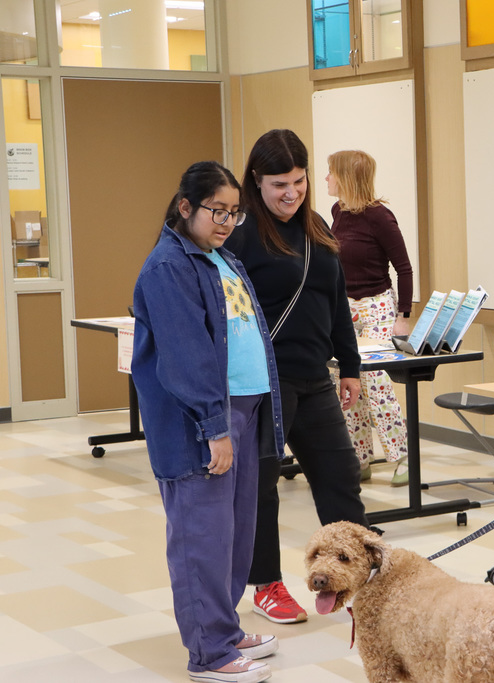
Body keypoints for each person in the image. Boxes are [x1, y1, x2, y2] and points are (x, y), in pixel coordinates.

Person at [132, 161, 284, 682]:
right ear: (185, 207)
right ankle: (209, 653)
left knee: (235, 534)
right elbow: (185, 356)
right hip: (202, 422)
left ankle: (224, 626)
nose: (225, 222)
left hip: (241, 410)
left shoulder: (219, 257)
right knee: (202, 536)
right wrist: (214, 426)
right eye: (217, 211)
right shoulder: (168, 267)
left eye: (234, 213)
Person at [224, 129, 369, 625]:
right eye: (278, 184)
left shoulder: (318, 227)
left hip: (315, 376)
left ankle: (361, 579)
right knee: (262, 485)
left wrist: (349, 365)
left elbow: (336, 302)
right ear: (256, 182)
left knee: (340, 479)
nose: (290, 193)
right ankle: (266, 584)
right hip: (265, 383)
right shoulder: (241, 234)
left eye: (300, 182)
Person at [326, 150, 412, 486]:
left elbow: (403, 268)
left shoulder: (380, 217)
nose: (327, 179)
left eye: (331, 173)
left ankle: (402, 455)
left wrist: (402, 316)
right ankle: (359, 458)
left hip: (376, 305)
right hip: (345, 307)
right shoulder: (336, 212)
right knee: (348, 384)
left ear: (346, 177)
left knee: (376, 384)